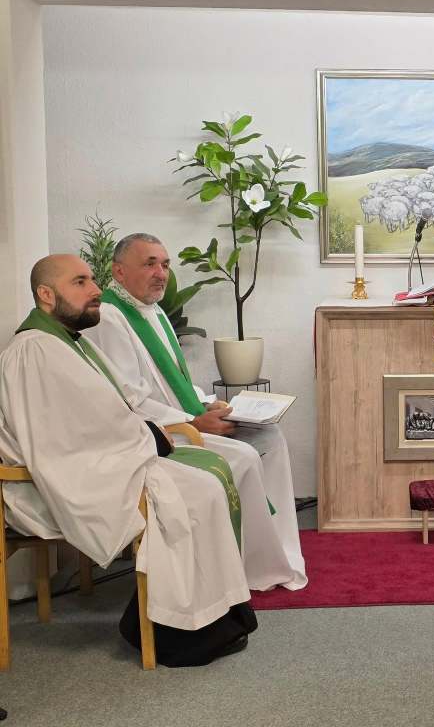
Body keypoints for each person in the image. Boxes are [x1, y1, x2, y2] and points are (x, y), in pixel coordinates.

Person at [0, 255, 255, 666]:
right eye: (80, 282)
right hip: (51, 483)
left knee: (203, 487)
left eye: (92, 280)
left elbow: (97, 415)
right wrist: (149, 436)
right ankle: (174, 634)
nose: (95, 290)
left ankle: (210, 618)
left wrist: (148, 435)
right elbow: (59, 436)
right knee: (190, 496)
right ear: (46, 295)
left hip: (92, 463)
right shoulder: (35, 350)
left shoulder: (65, 342)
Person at [83, 233, 306, 590]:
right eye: (149, 264)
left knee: (271, 437)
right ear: (119, 271)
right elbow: (130, 400)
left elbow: (175, 378)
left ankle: (277, 551)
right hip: (161, 435)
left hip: (185, 421)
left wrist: (204, 403)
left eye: (165, 265)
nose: (161, 273)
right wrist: (193, 422)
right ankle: (247, 567)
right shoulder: (110, 318)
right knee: (247, 455)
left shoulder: (153, 310)